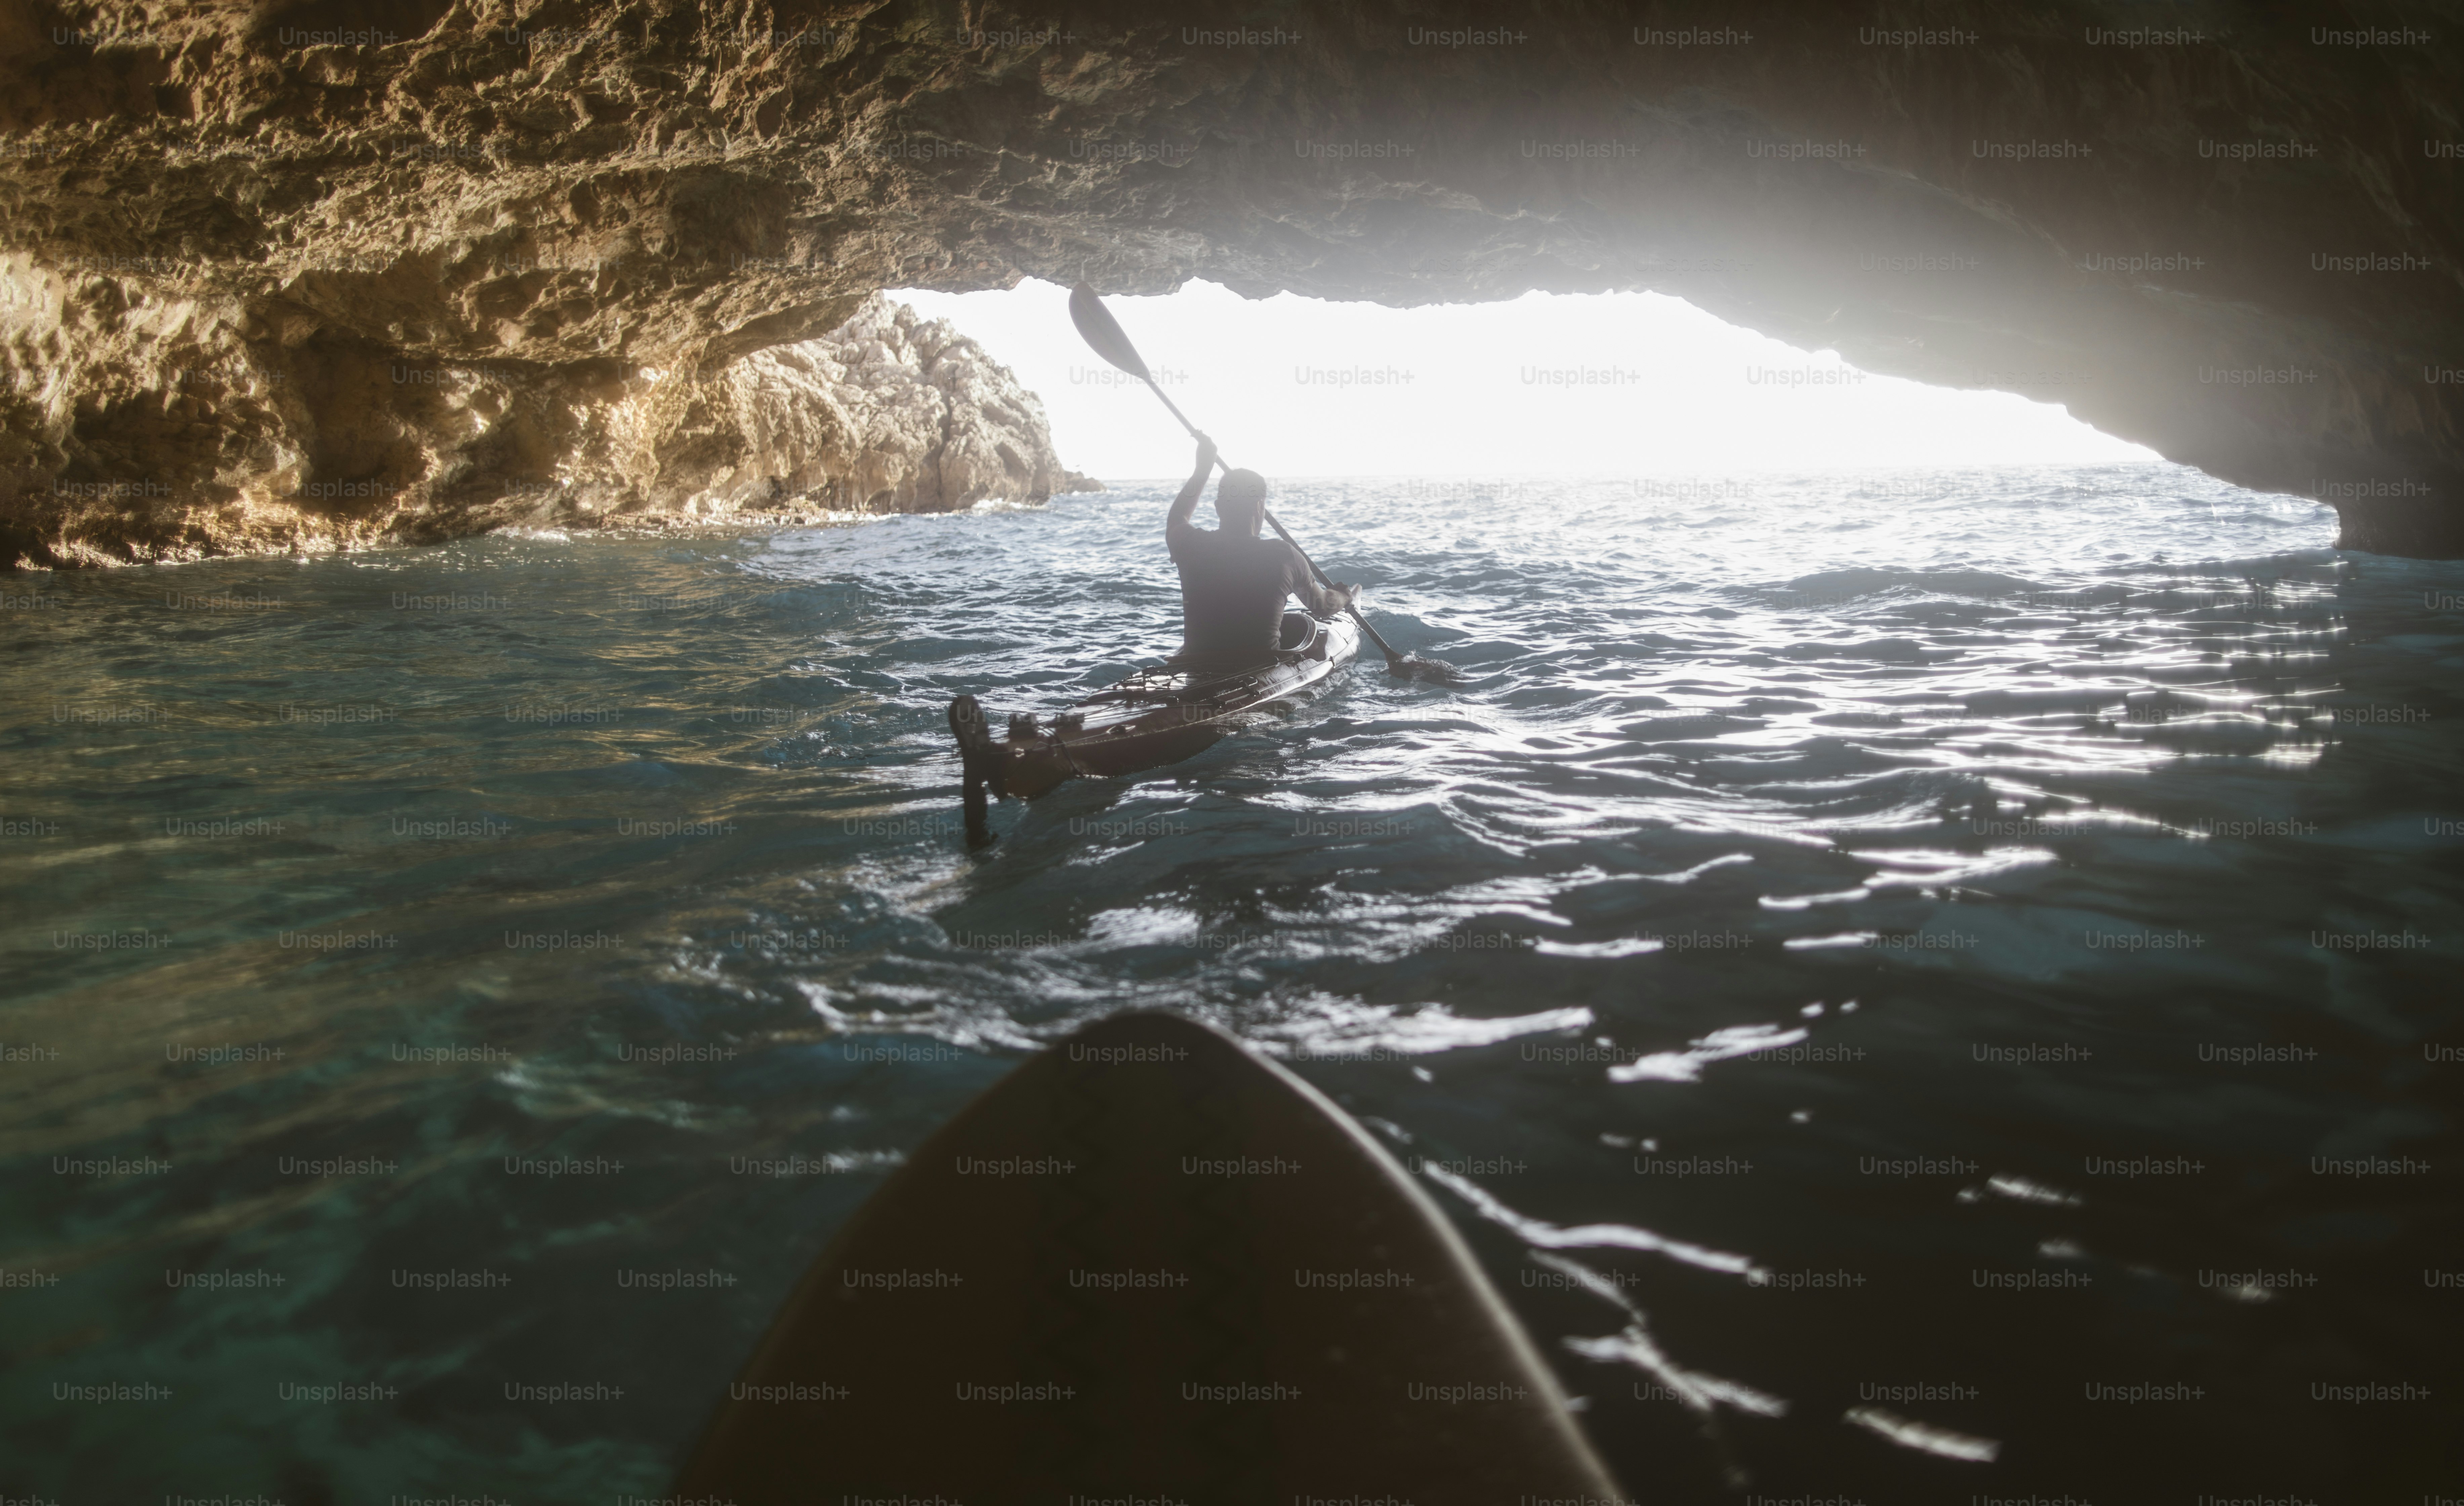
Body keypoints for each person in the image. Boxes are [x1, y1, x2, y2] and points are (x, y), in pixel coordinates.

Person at [1165, 435, 1357, 669]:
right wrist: (1345, 597)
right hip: (1260, 669)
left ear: (1218, 508)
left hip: (1197, 669)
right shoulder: (1284, 555)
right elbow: (1322, 606)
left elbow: (1177, 519)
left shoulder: (1190, 544)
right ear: (1259, 507)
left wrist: (1203, 468)